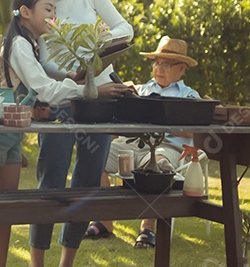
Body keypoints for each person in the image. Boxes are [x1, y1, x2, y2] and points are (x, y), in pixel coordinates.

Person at [0, 0, 129, 267]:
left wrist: (82, 76)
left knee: (6, 207)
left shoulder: (34, 44)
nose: (54, 16)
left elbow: (52, 77)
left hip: (12, 131)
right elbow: (45, 89)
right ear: (26, 12)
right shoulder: (18, 45)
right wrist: (90, 90)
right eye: (48, 9)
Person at [22, 0, 133, 267]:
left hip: (98, 101)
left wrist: (93, 53)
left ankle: (66, 264)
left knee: (87, 181)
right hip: (60, 102)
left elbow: (124, 29)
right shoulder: (34, 5)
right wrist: (73, 74)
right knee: (50, 180)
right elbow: (43, 60)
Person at [85, 36, 202, 248]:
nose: (159, 68)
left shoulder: (189, 96)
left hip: (168, 147)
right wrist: (125, 102)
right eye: (156, 63)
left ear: (182, 69)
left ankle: (147, 228)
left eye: (166, 64)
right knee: (96, 157)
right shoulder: (140, 90)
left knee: (158, 166)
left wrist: (160, 120)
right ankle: (104, 221)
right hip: (131, 143)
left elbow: (194, 131)